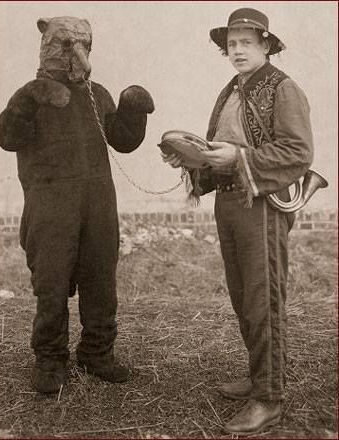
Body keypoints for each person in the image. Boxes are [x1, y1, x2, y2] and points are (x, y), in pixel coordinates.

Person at [162, 7, 313, 435]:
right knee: (243, 296)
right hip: (230, 204)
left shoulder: (283, 89)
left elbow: (298, 153)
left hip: (262, 205)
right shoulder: (231, 88)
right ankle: (259, 376)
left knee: (262, 300)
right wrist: (192, 160)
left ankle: (269, 399)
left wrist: (239, 159)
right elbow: (221, 154)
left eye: (247, 42)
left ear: (267, 45)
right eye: (231, 44)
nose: (237, 50)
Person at [0, 16, 154, 394]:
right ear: (48, 43)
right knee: (51, 284)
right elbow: (7, 137)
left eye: (82, 43)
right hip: (49, 202)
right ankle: (50, 359)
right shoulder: (32, 94)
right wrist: (28, 98)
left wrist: (133, 109)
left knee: (101, 280)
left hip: (98, 202)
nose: (76, 52)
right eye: (66, 44)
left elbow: (123, 140)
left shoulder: (97, 94)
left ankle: (97, 352)